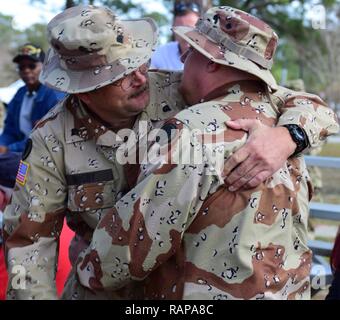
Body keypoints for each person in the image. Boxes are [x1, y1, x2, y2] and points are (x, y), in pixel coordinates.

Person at [3, 5, 338, 300]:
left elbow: (298, 101)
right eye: (122, 74)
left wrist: (287, 135)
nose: (139, 77)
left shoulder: (174, 89)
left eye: (140, 62)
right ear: (85, 91)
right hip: (102, 287)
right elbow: (28, 244)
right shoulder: (50, 140)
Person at [151, 1, 201, 70]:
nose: (186, 35)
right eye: (180, 29)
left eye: (191, 29)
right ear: (173, 27)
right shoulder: (160, 54)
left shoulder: (212, 58)